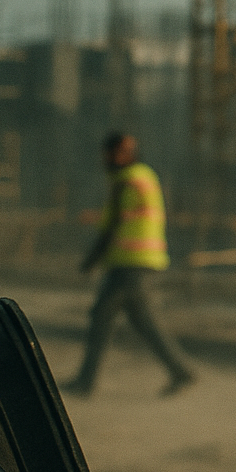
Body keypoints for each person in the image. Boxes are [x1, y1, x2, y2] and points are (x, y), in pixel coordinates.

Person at [62, 132, 195, 398]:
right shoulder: (141, 176)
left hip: (131, 264)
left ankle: (86, 382)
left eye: (110, 153)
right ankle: (181, 372)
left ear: (120, 153)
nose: (106, 160)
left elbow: (113, 225)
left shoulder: (128, 180)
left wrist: (90, 260)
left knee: (101, 316)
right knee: (143, 322)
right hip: (139, 262)